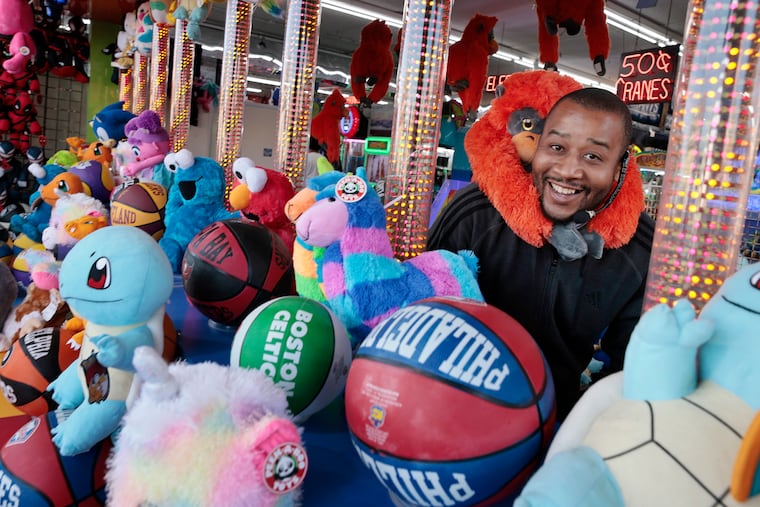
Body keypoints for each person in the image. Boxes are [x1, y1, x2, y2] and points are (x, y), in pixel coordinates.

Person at [427, 87, 654, 420]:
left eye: (593, 156)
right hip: (445, 409)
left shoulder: (638, 248)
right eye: (557, 147)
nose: (567, 170)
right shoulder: (475, 214)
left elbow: (630, 372)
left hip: (555, 423)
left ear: (620, 168)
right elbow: (416, 314)